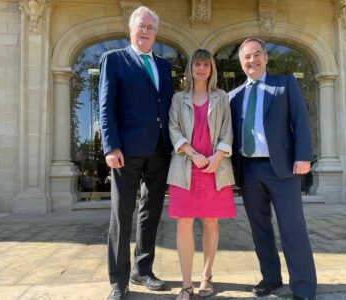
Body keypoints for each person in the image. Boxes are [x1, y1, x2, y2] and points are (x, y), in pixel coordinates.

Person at [229, 37, 317, 300]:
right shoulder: (234, 96)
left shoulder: (285, 84)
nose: (252, 60)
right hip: (248, 170)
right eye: (246, 56)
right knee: (260, 229)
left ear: (266, 58)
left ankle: (303, 288)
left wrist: (304, 157)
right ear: (241, 62)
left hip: (283, 170)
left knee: (293, 228)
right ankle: (271, 278)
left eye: (257, 54)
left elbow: (301, 122)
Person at [98, 6, 173, 300]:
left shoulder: (165, 66)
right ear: (131, 29)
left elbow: (165, 107)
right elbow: (106, 106)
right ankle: (118, 281)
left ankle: (143, 270)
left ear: (156, 33)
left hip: (159, 149)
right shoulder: (114, 60)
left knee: (151, 212)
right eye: (140, 26)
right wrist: (110, 146)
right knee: (121, 213)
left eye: (150, 27)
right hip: (125, 151)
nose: (145, 31)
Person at [167, 49, 236, 300]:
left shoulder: (222, 97)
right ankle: (186, 284)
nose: (201, 68)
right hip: (185, 167)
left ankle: (207, 276)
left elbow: (228, 130)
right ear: (191, 68)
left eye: (206, 64)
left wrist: (217, 158)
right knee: (183, 223)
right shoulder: (178, 99)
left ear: (212, 69)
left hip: (214, 169)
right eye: (197, 63)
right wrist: (192, 154)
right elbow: (173, 129)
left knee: (211, 221)